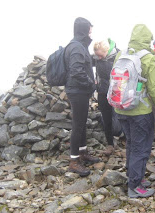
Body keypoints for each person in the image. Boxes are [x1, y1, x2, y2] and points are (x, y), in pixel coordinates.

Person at [114, 24, 155, 198]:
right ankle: (135, 186)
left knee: (131, 144)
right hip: (140, 111)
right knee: (141, 148)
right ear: (147, 39)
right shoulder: (148, 58)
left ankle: (134, 177)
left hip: (121, 108)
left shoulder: (121, 54)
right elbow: (154, 88)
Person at [64, 17, 100, 177]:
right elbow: (77, 71)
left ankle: (83, 153)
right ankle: (73, 161)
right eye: (90, 29)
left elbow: (83, 65)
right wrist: (91, 84)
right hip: (77, 91)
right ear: (84, 30)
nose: (91, 32)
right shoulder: (77, 47)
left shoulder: (78, 45)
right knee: (78, 124)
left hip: (79, 91)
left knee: (81, 122)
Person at [93, 39, 119, 156]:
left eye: (100, 55)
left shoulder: (118, 56)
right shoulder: (96, 58)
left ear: (106, 51)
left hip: (117, 92)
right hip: (103, 92)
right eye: (97, 55)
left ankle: (124, 140)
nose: (99, 57)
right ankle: (110, 144)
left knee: (120, 117)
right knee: (106, 118)